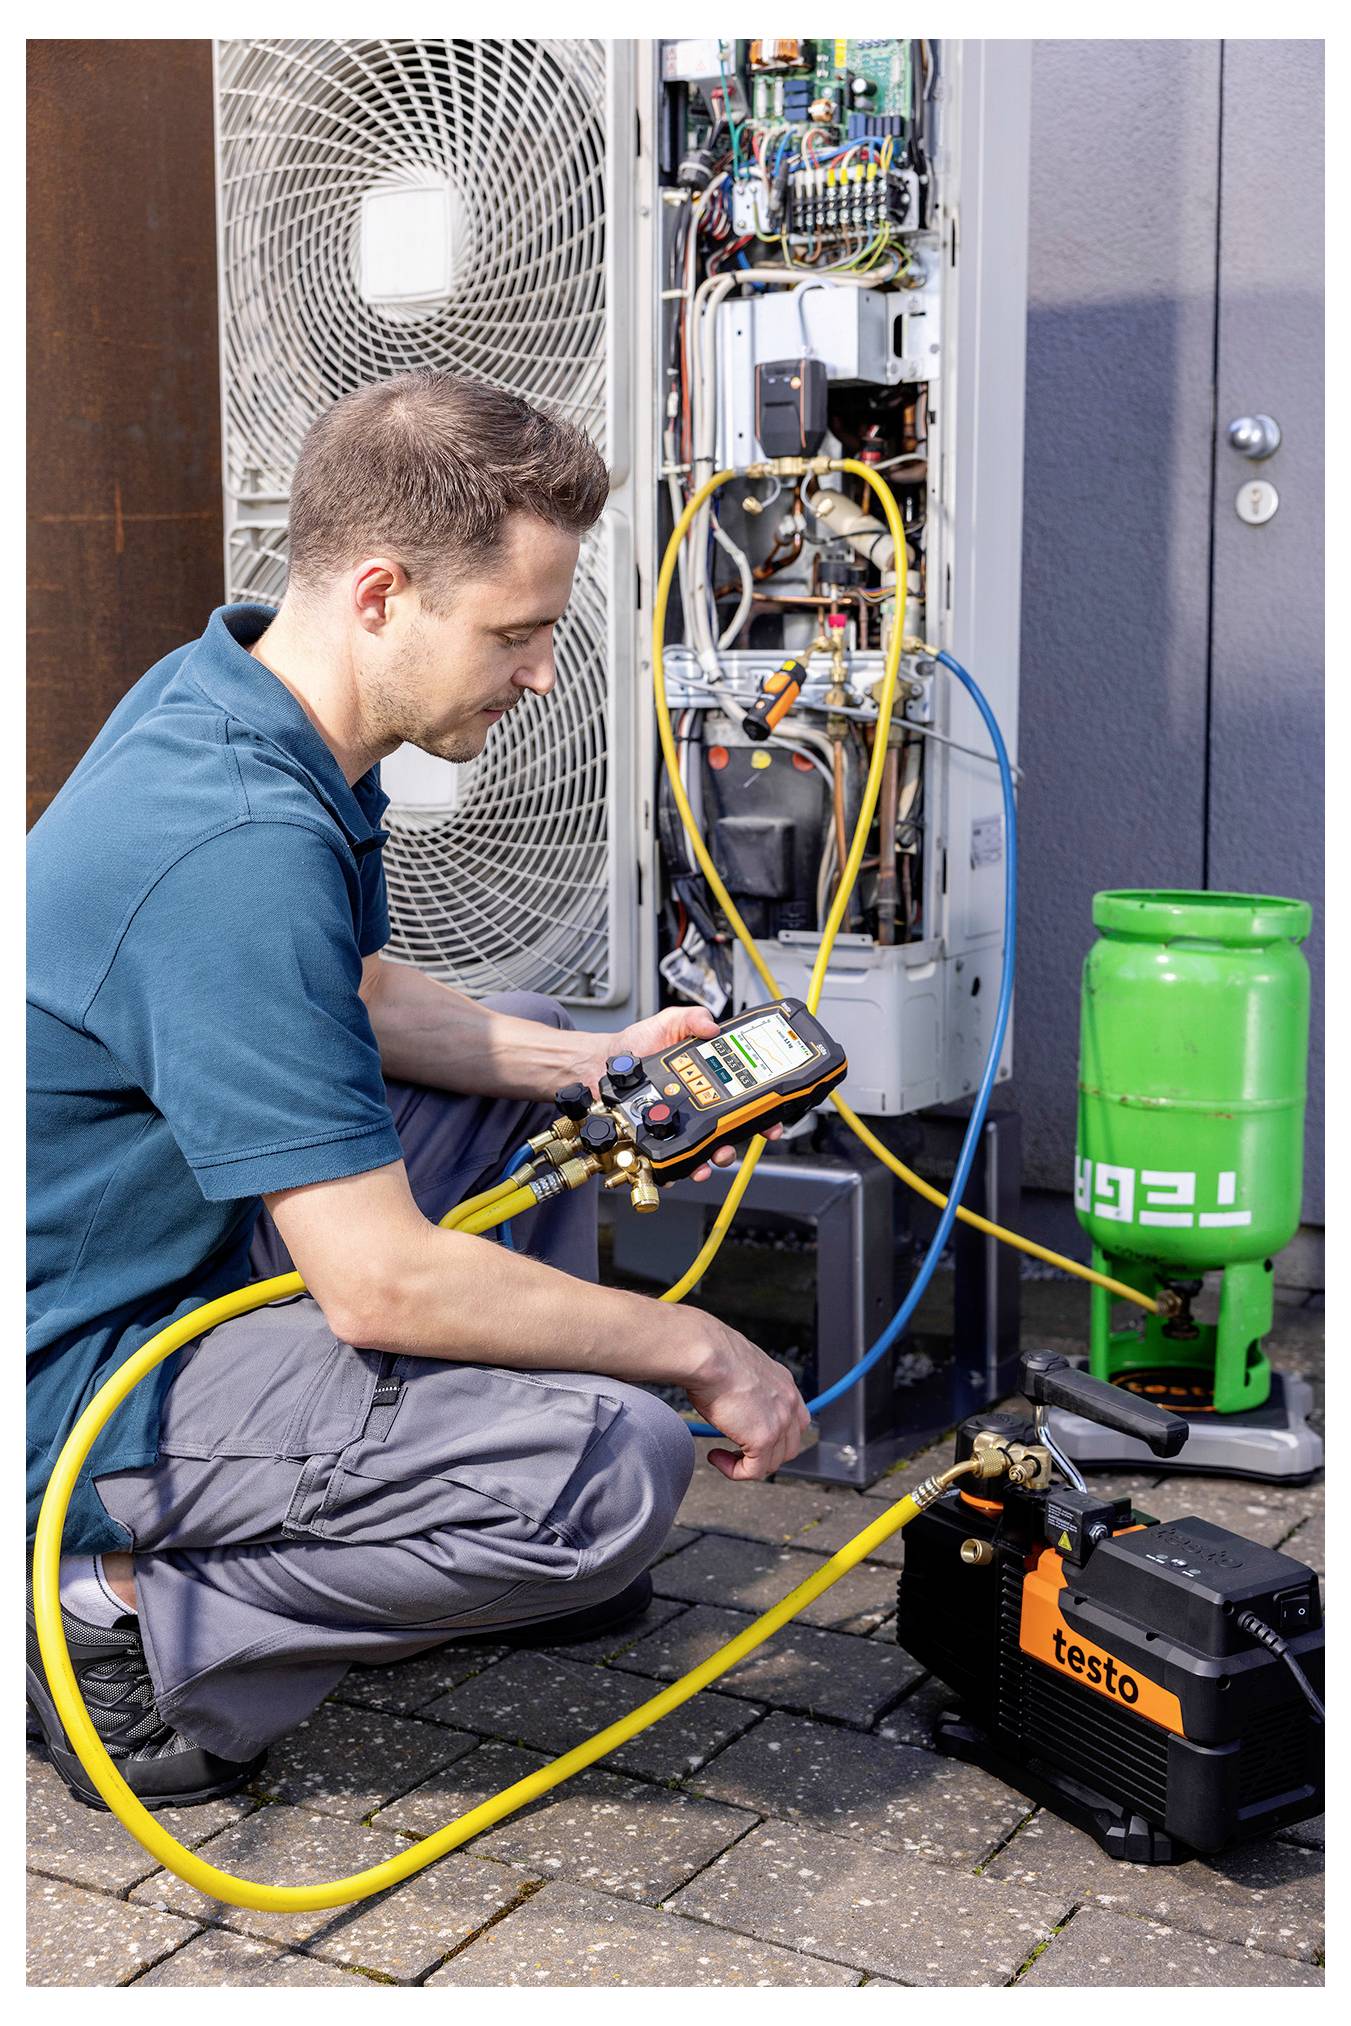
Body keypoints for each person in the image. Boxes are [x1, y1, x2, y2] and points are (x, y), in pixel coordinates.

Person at [27, 370, 810, 1810]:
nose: (542, 675)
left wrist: (594, 1062)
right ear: (380, 592)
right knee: (615, 1459)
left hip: (185, 1241)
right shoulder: (236, 845)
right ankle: (116, 1620)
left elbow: (360, 994)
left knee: (516, 1036)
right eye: (516, 633)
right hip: (80, 1374)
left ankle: (457, 1523)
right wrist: (695, 1345)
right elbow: (379, 1285)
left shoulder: (249, 689)